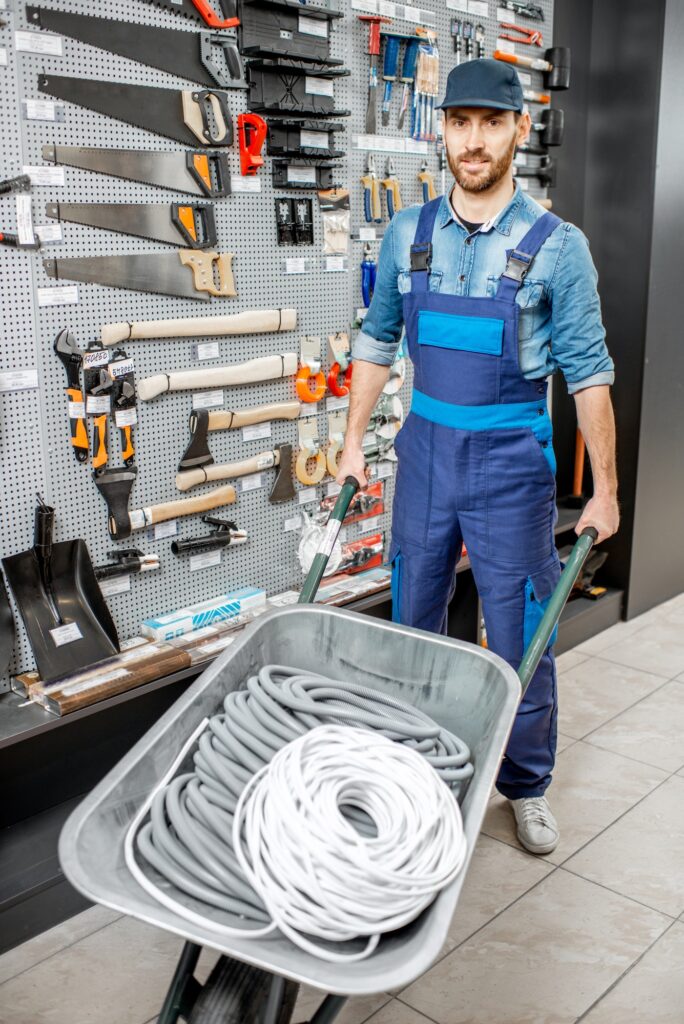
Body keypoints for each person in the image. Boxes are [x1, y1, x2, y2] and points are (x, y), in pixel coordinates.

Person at [336, 58, 619, 855]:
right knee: (411, 625)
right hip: (423, 455)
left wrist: (605, 492)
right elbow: (376, 340)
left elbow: (590, 372)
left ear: (520, 130)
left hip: (509, 463)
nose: (474, 139)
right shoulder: (406, 233)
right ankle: (407, 773)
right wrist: (354, 443)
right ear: (443, 130)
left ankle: (524, 784)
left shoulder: (559, 248)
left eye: (491, 122)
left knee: (521, 631)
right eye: (460, 122)